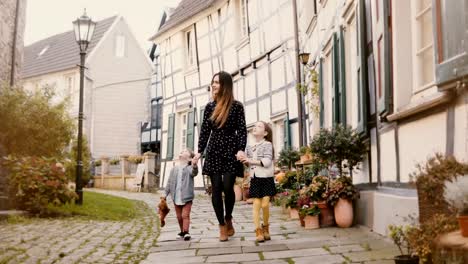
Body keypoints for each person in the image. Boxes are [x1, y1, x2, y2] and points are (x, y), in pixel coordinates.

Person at [193, 71, 247, 242]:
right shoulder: (209, 107)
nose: (214, 85)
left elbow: (242, 130)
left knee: (227, 186)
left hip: (231, 150)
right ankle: (221, 225)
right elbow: (205, 132)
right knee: (216, 188)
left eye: (217, 82)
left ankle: (229, 216)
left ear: (225, 85)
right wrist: (199, 151)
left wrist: (240, 149)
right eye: (213, 82)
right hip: (214, 149)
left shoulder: (237, 106)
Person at [237, 121, 275, 242]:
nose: (255, 127)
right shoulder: (250, 146)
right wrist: (240, 156)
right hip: (255, 178)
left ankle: (266, 226)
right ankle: (258, 230)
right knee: (256, 205)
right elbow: (246, 161)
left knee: (265, 204)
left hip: (266, 178)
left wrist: (250, 160)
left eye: (259, 126)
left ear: (265, 133)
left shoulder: (268, 144)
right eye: (255, 126)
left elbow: (267, 162)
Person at [163, 149, 198, 241]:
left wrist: (194, 165)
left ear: (190, 158)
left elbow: (194, 173)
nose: (182, 151)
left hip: (187, 197)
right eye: (181, 151)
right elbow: (169, 182)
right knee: (179, 216)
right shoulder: (174, 169)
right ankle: (182, 231)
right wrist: (165, 194)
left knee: (185, 215)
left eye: (185, 151)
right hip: (176, 197)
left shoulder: (189, 168)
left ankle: (186, 232)